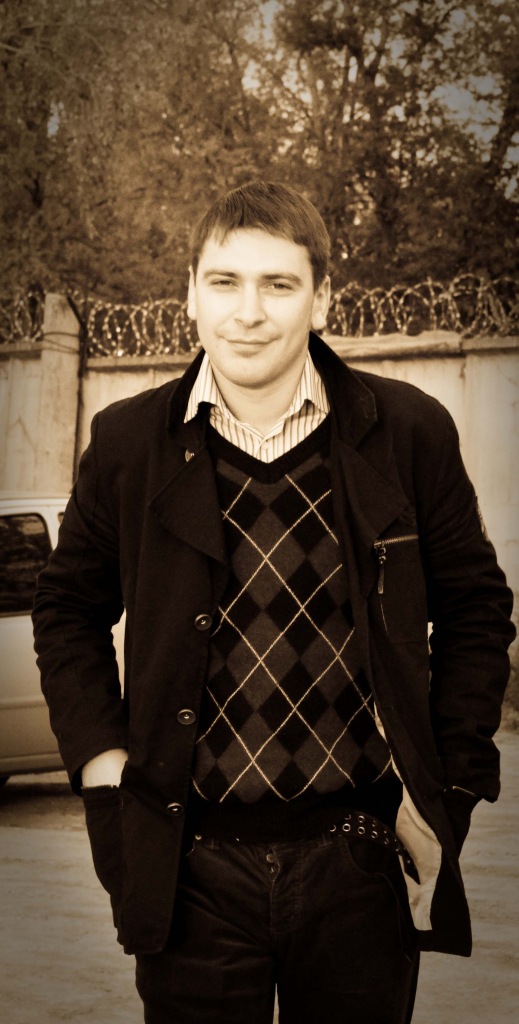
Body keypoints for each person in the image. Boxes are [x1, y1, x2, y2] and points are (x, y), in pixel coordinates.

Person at [32, 181, 515, 1024]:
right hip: (187, 864)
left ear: (320, 300)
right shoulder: (127, 445)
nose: (247, 312)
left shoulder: (407, 432)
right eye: (224, 282)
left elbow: (476, 610)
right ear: (190, 292)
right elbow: (67, 609)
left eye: (278, 284)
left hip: (359, 861)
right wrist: (105, 771)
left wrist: (449, 785)